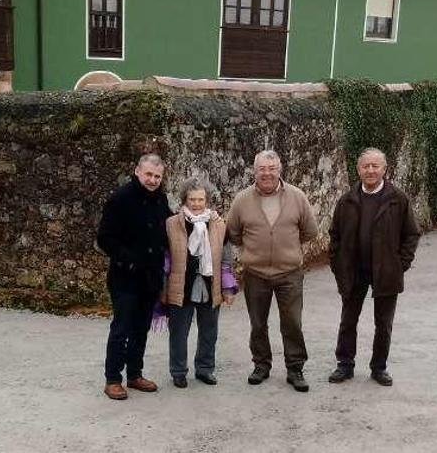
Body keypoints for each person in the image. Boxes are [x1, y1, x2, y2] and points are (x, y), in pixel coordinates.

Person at [226, 150, 318, 392]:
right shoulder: (242, 200)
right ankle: (261, 365)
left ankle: (295, 368)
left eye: (271, 168)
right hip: (255, 273)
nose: (266, 173)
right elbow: (233, 233)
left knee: (292, 323)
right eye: (261, 169)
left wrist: (285, 247)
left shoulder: (297, 197)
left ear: (280, 170)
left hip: (289, 273)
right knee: (258, 323)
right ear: (254, 171)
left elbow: (310, 231)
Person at [327, 148, 421, 386]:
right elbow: (335, 235)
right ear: (358, 169)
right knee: (348, 320)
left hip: (386, 272)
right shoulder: (347, 200)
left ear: (384, 169)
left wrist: (400, 264)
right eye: (365, 166)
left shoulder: (398, 200)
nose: (370, 170)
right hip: (354, 271)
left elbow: (411, 234)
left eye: (375, 166)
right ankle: (345, 365)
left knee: (384, 323)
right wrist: (338, 265)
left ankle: (379, 368)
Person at [97, 154, 172, 400]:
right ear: (137, 171)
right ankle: (113, 379)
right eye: (149, 174)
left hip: (150, 278)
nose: (152, 180)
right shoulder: (120, 199)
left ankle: (135, 374)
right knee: (122, 328)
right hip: (125, 278)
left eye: (157, 176)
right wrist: (128, 260)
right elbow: (105, 238)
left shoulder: (160, 200)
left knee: (141, 328)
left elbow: (172, 228)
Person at [163, 177, 238, 389]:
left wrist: (227, 288)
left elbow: (225, 261)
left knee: (209, 330)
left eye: (201, 199)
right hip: (181, 285)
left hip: (209, 285)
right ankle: (178, 371)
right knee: (178, 331)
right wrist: (162, 288)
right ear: (184, 199)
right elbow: (166, 258)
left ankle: (205, 369)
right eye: (192, 199)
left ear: (207, 200)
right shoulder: (171, 224)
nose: (197, 204)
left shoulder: (218, 225)